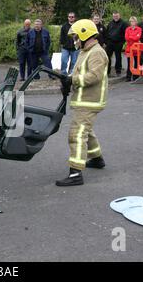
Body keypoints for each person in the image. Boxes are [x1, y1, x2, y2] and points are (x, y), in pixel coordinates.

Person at [56, 19, 108, 187]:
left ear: (85, 34)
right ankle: (97, 159)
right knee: (87, 131)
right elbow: (78, 72)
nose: (75, 40)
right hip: (84, 100)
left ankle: (75, 173)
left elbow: (94, 76)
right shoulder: (85, 51)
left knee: (76, 134)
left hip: (90, 101)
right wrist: (67, 80)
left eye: (77, 36)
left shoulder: (97, 52)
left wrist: (72, 80)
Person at [105, 12, 127, 77]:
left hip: (119, 43)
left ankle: (118, 71)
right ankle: (107, 71)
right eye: (114, 16)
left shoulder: (124, 23)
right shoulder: (110, 23)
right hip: (110, 42)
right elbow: (107, 32)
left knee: (118, 57)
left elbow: (126, 32)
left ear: (119, 16)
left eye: (117, 16)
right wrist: (107, 41)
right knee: (107, 57)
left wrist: (123, 42)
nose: (115, 17)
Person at [125, 16, 142, 81]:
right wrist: (134, 37)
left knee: (136, 63)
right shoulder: (127, 29)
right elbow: (126, 38)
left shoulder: (139, 29)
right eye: (131, 21)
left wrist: (131, 37)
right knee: (129, 63)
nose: (132, 22)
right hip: (129, 49)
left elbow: (138, 38)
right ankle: (128, 77)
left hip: (137, 49)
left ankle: (135, 77)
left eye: (133, 21)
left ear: (136, 22)